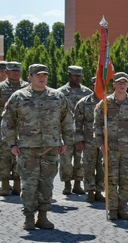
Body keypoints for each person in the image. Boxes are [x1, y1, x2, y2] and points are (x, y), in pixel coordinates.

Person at [2, 64, 74, 230]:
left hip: (51, 147)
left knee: (47, 183)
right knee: (29, 184)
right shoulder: (18, 97)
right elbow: (7, 122)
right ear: (30, 77)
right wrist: (12, 143)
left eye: (45, 75)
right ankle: (28, 216)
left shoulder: (57, 97)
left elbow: (67, 121)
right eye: (38, 75)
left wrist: (66, 142)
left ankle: (43, 216)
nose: (42, 78)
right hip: (28, 148)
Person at [93, 72, 128, 221]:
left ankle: (122, 208)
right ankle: (112, 210)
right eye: (119, 82)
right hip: (111, 149)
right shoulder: (105, 103)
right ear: (114, 84)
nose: (122, 85)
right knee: (110, 180)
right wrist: (101, 144)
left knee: (126, 180)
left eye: (125, 82)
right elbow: (97, 125)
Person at [56, 65, 92, 195]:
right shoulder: (60, 93)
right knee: (65, 160)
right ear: (69, 75)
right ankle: (67, 184)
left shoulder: (87, 92)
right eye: (75, 75)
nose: (77, 78)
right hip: (66, 132)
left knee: (80, 160)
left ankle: (78, 183)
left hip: (82, 132)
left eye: (79, 75)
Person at [0, 61, 29, 196]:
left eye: (18, 70)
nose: (16, 73)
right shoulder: (1, 87)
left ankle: (17, 185)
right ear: (6, 72)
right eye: (12, 70)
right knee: (5, 156)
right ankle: (5, 184)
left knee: (20, 156)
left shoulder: (27, 87)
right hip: (5, 127)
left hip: (23, 127)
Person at [75, 78, 105, 203]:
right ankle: (90, 192)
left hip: (104, 141)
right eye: (95, 85)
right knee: (88, 167)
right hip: (89, 141)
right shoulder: (84, 102)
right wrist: (79, 140)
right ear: (92, 86)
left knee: (102, 167)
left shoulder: (109, 102)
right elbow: (77, 123)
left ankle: (99, 191)